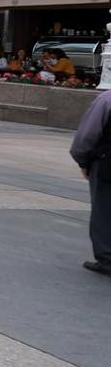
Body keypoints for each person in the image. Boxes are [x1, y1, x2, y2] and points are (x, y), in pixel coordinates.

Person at [71, 86, 111, 276]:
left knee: (104, 210)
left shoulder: (107, 99)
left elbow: (87, 135)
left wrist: (82, 160)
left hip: (107, 165)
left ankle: (107, 258)